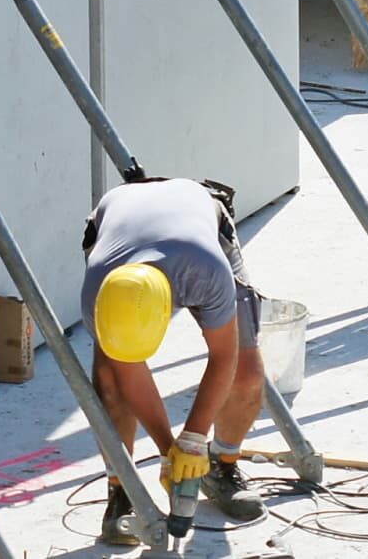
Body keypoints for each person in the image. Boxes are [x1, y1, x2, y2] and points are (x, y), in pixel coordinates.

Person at [82, 177, 273, 543]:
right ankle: (121, 492)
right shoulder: (99, 293)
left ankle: (223, 466)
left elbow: (224, 356)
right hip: (117, 227)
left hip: (201, 224)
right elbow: (129, 374)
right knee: (110, 381)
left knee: (246, 372)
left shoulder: (206, 274)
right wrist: (168, 450)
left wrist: (194, 440)